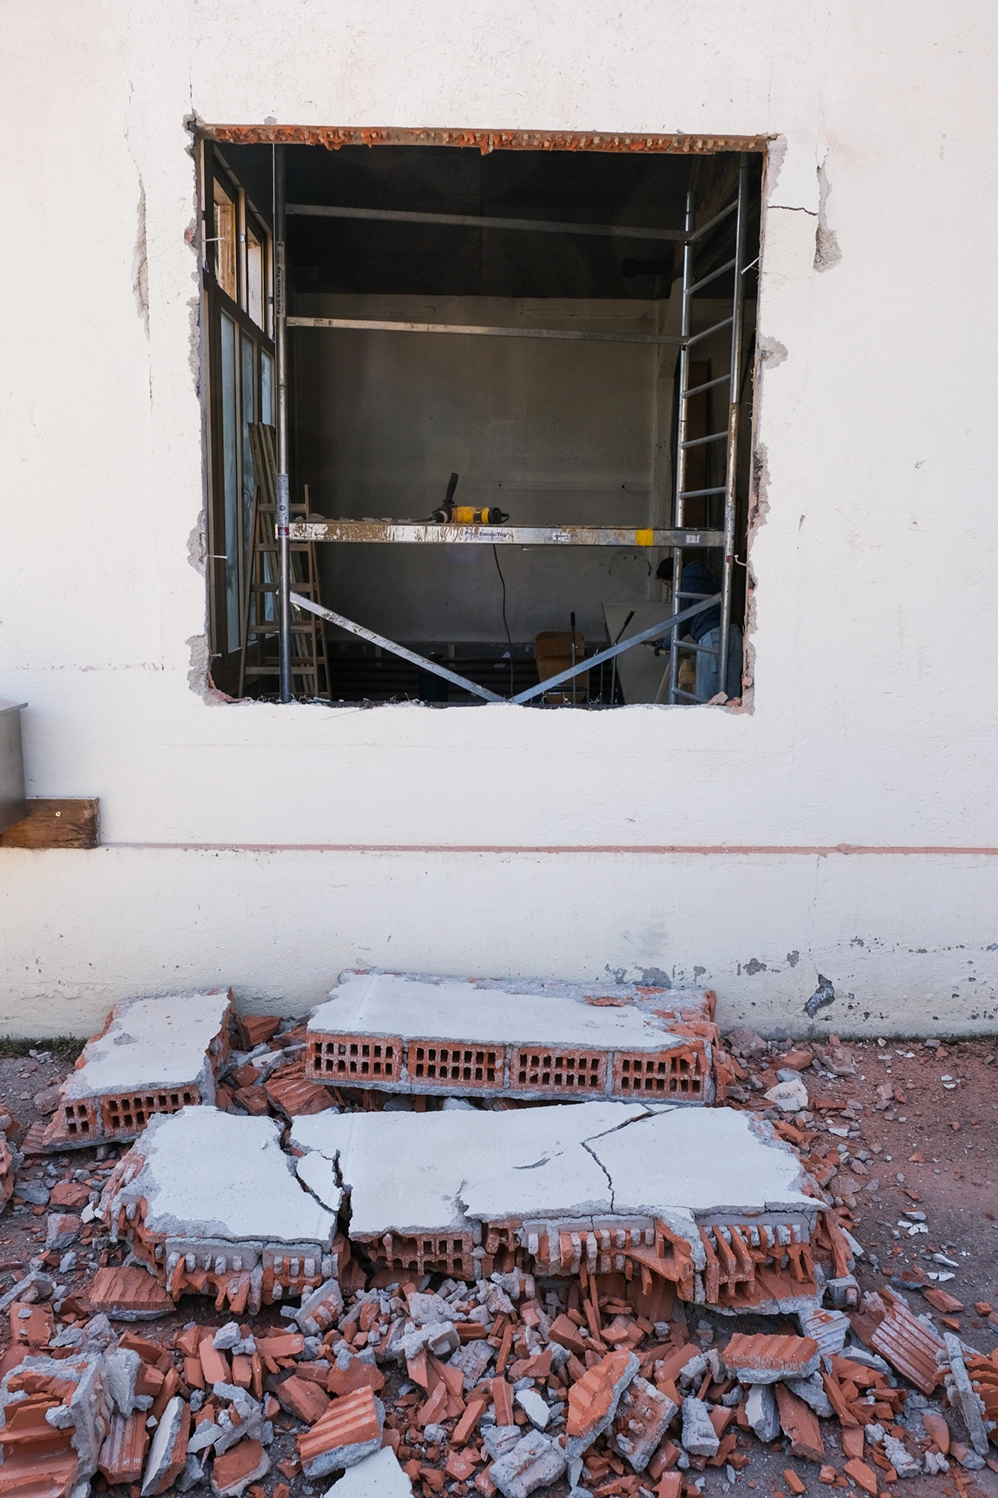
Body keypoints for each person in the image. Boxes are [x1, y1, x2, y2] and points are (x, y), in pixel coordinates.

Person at [656, 556, 743, 701]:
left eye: (667, 584)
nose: (670, 588)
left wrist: (665, 643)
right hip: (734, 633)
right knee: (731, 699)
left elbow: (680, 622)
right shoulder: (705, 580)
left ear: (671, 576)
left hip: (713, 638)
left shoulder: (684, 585)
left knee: (707, 699)